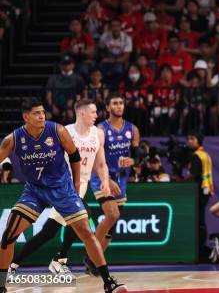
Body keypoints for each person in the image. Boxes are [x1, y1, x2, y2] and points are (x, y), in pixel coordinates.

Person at [0, 98, 126, 293]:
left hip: (62, 188)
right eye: (36, 113)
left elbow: (74, 156)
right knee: (9, 235)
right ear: (26, 117)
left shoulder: (57, 130)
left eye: (43, 112)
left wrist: (76, 183)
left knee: (85, 231)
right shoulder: (14, 139)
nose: (42, 116)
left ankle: (108, 281)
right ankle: (2, 283)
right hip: (34, 190)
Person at [86, 93, 140, 276]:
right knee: (112, 214)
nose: (119, 106)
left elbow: (138, 155)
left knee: (111, 228)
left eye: (121, 103)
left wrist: (132, 161)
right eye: (115, 103)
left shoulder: (132, 129)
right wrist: (106, 179)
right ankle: (90, 255)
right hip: (102, 178)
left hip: (121, 180)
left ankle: (93, 262)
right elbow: (93, 159)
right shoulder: (100, 129)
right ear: (108, 107)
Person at [186, 133, 214, 261]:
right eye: (188, 139)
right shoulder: (205, 154)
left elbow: (193, 175)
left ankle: (199, 249)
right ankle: (201, 247)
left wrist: (181, 179)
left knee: (199, 221)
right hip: (206, 191)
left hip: (199, 191)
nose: (189, 141)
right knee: (201, 220)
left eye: (192, 139)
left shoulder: (197, 156)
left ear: (199, 141)